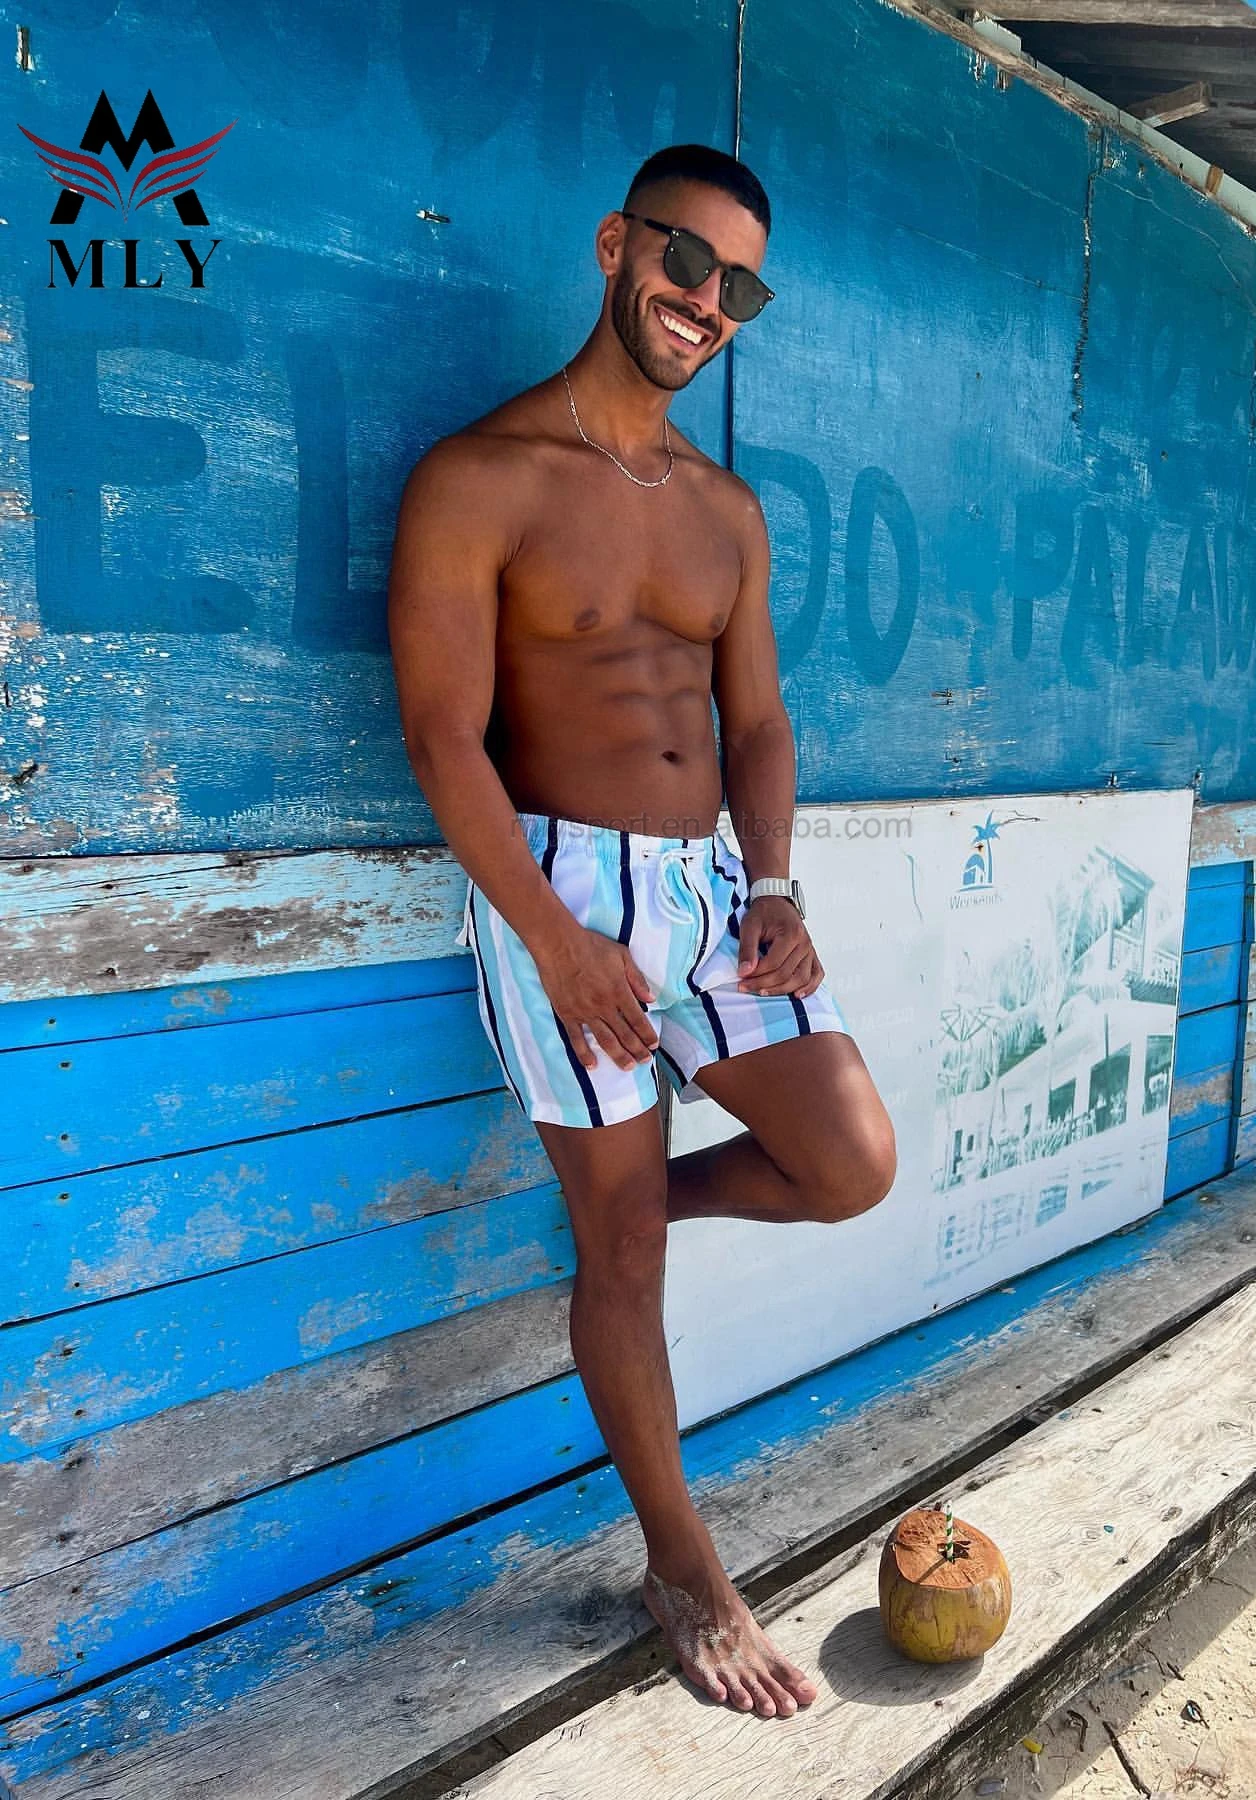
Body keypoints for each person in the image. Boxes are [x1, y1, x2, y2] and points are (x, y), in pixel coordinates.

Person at [387, 142, 897, 1720]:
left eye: (740, 287)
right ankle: (685, 1569)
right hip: (560, 892)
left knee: (850, 1161)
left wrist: (776, 887)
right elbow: (441, 737)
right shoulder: (481, 479)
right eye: (686, 262)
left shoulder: (726, 511)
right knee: (617, 1255)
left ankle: (635, 1213)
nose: (707, 302)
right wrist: (552, 936)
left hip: (711, 894)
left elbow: (761, 724)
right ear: (617, 245)